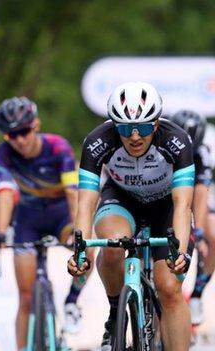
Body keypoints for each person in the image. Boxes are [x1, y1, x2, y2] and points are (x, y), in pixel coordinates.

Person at [67, 82, 194, 350]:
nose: (135, 137)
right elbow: (86, 204)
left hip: (166, 205)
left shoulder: (177, 140)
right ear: (115, 126)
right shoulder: (96, 141)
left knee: (169, 288)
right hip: (122, 198)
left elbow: (182, 204)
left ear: (156, 124)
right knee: (113, 244)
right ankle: (115, 313)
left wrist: (179, 253)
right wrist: (80, 252)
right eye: (125, 129)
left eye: (144, 128)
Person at [0, 97, 92, 348]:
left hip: (61, 217)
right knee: (25, 298)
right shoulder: (3, 154)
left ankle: (71, 301)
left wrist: (78, 234)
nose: (20, 140)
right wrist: (1, 233)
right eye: (12, 135)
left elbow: (72, 193)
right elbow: (4, 194)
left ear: (36, 125)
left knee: (88, 249)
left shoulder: (58, 147)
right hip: (28, 220)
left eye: (24, 132)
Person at [169, 109, 215, 326]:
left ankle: (197, 294)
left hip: (194, 199)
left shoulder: (202, 153)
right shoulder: (163, 146)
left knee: (213, 235)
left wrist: (200, 232)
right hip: (167, 198)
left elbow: (200, 196)